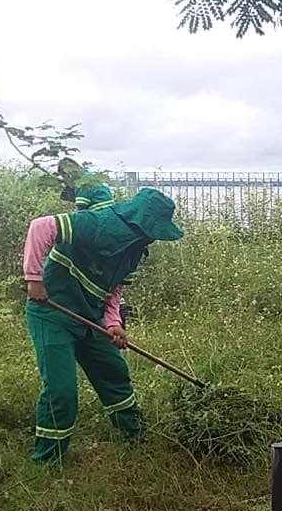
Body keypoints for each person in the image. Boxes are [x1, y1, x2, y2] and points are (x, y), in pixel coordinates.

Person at [22, 186, 184, 464]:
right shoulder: (97, 223)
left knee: (114, 372)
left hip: (90, 318)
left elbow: (114, 288)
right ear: (138, 222)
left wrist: (113, 323)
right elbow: (41, 227)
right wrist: (34, 278)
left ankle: (136, 440)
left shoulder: (135, 249)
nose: (153, 238)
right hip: (52, 314)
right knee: (61, 392)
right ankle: (47, 461)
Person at [55, 159, 134, 324]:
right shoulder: (91, 178)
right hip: (108, 222)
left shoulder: (83, 182)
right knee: (106, 266)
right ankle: (116, 303)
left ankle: (96, 302)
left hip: (98, 223)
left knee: (80, 256)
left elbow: (80, 210)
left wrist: (73, 228)